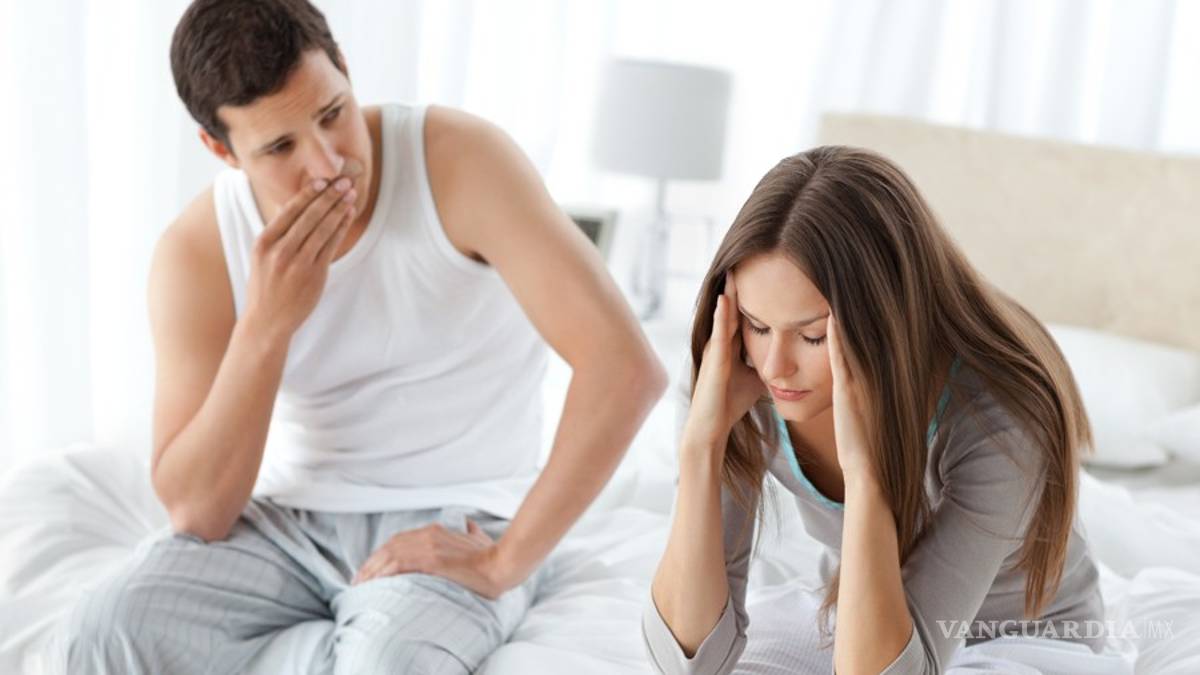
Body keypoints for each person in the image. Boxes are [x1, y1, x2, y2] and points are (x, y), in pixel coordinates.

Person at [59, 0, 667, 672]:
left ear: (345, 68)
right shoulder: (198, 248)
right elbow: (197, 511)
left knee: (387, 662)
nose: (328, 165)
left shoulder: (460, 162)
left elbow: (627, 368)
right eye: (280, 148)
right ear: (221, 150)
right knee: (102, 629)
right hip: (292, 525)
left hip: (463, 516)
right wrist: (266, 325)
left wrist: (504, 561)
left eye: (332, 114)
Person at [643, 146, 1131, 674]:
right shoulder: (735, 372)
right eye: (758, 325)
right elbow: (688, 663)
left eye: (813, 336)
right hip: (866, 619)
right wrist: (702, 448)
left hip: (1023, 636)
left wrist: (864, 471)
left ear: (886, 320)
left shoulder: (1000, 418)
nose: (775, 367)